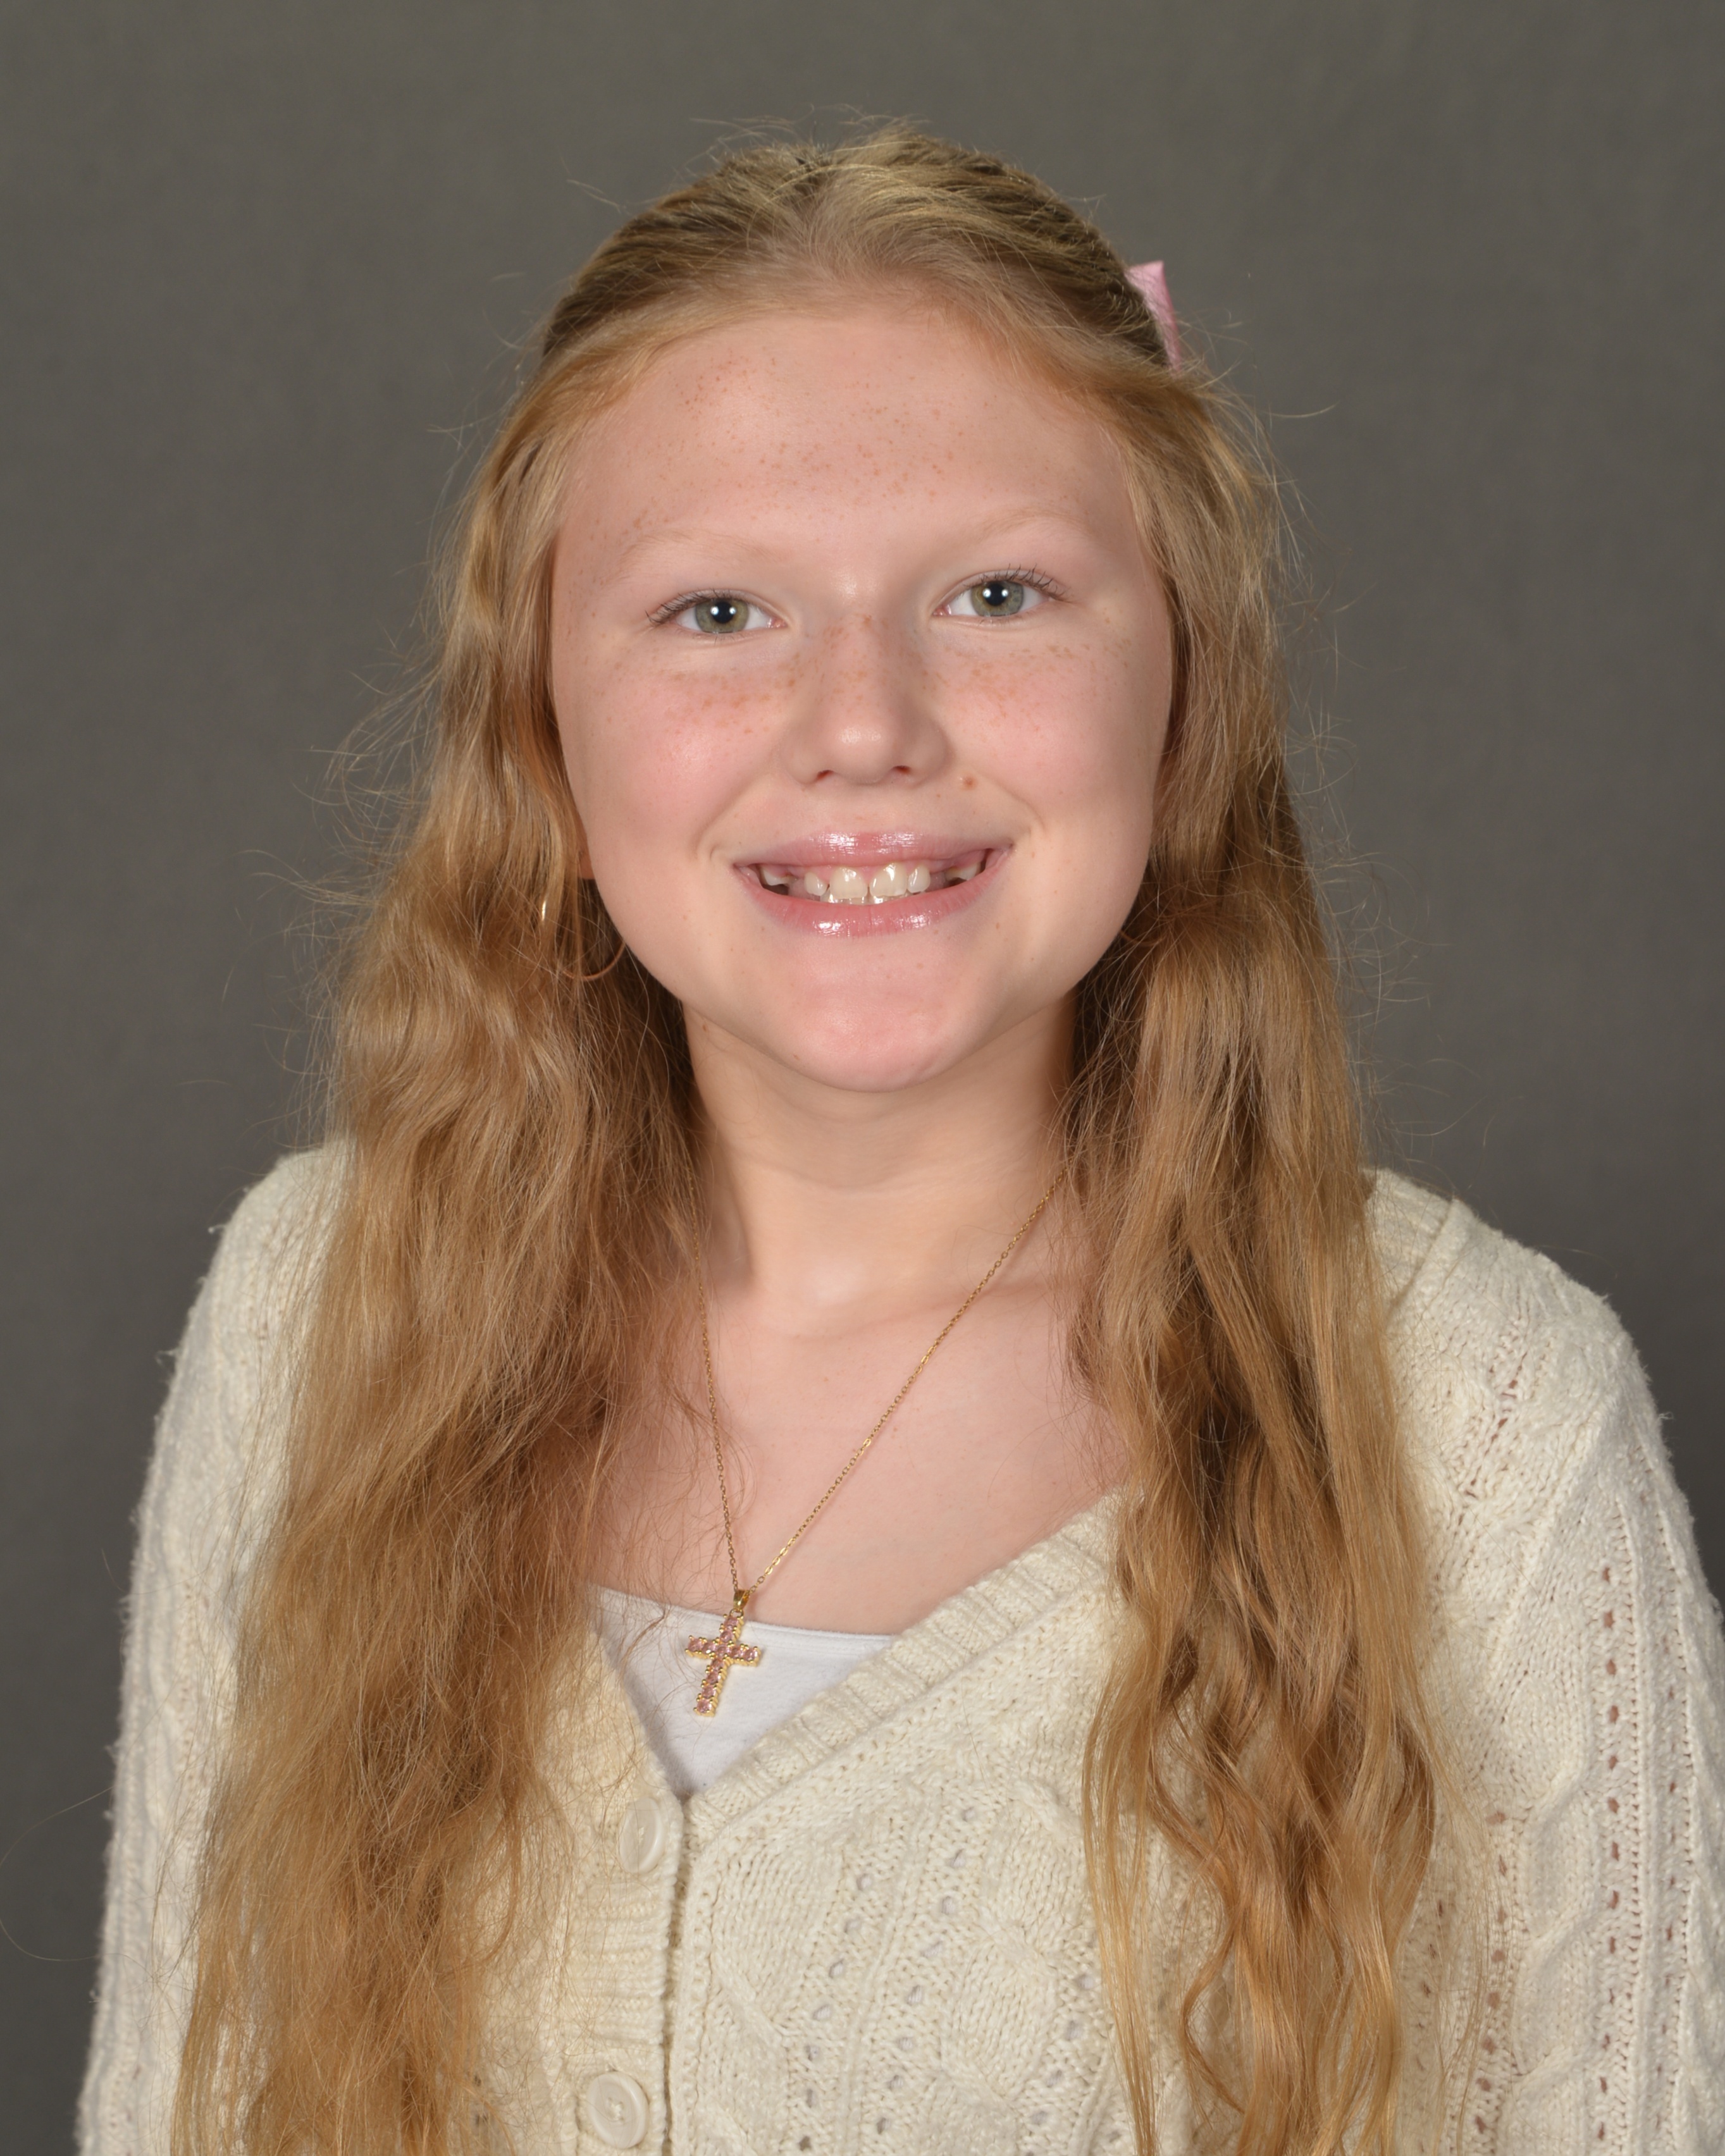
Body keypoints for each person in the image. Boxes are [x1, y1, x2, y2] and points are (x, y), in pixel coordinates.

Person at [79, 131, 1724, 2156]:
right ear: (541, 729)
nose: (863, 723)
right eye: (716, 610)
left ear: (1185, 690)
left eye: (999, 592)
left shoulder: (1490, 1429)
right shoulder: (317, 1311)